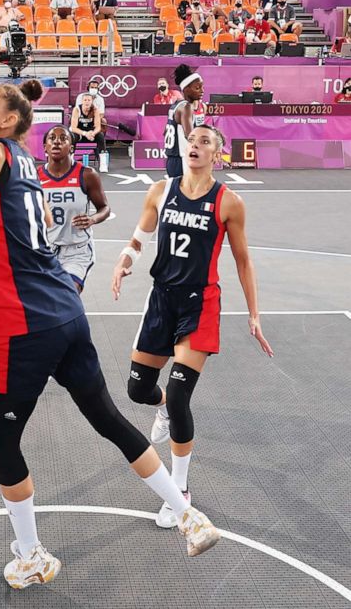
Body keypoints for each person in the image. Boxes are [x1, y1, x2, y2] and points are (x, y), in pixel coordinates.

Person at [0, 80, 221, 586]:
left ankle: (30, 554)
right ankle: (186, 514)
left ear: (8, 122)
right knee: (109, 418)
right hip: (67, 310)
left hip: (23, 323)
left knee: (0, 436)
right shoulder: (22, 158)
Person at [112, 124, 273, 528]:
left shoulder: (229, 202)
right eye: (193, 141)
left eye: (205, 142)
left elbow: (243, 261)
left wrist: (254, 314)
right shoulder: (160, 191)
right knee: (138, 390)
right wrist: (124, 262)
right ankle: (161, 407)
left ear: (217, 154)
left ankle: (179, 492)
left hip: (201, 304)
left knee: (182, 394)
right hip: (162, 300)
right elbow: (138, 237)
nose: (196, 146)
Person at [39, 126, 110, 292]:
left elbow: (104, 208)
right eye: (52, 138)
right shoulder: (36, 177)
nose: (57, 141)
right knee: (44, 302)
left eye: (63, 138)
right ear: (45, 147)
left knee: (67, 295)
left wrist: (92, 219)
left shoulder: (86, 175)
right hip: (46, 250)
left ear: (71, 147)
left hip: (77, 250)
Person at [163, 65, 206, 177]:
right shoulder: (186, 107)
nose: (202, 91)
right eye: (197, 88)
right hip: (182, 158)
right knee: (190, 193)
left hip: (173, 158)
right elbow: (191, 136)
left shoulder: (176, 105)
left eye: (202, 87)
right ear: (186, 90)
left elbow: (165, 132)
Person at [70, 93, 106, 157]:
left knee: (100, 136)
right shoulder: (77, 109)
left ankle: (103, 163)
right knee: (72, 136)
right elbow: (73, 128)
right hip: (80, 133)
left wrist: (93, 133)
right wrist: (85, 133)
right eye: (85, 100)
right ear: (82, 101)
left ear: (92, 101)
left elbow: (98, 127)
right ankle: (71, 159)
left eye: (89, 100)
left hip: (91, 133)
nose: (87, 102)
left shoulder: (95, 110)